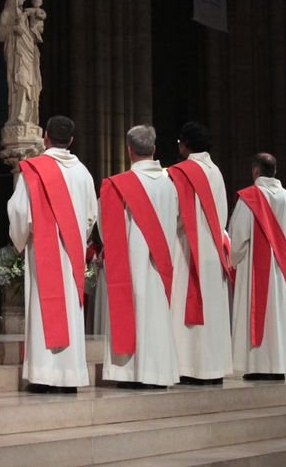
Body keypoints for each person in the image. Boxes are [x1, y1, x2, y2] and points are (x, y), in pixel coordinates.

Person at [8, 115, 97, 393]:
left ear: (45, 136)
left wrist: (20, 239)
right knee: (69, 309)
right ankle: (68, 377)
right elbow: (91, 215)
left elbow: (21, 211)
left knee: (42, 308)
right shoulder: (83, 172)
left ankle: (44, 376)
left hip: (43, 248)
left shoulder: (33, 169)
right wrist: (77, 238)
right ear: (70, 140)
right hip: (71, 250)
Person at [98, 125, 179, 389]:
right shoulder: (170, 185)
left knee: (134, 312)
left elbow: (105, 227)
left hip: (130, 262)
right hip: (162, 262)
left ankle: (131, 373)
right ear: (154, 150)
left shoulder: (118, 185)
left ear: (129, 150)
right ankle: (157, 373)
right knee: (157, 316)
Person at [167, 121, 233, 385]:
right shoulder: (216, 171)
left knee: (187, 306)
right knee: (212, 310)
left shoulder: (182, 171)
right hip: (212, 248)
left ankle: (189, 367)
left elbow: (176, 214)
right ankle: (212, 367)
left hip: (186, 247)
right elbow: (223, 211)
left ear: (185, 144)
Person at [228, 153, 286, 381]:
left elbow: (238, 236)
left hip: (254, 268)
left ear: (256, 170)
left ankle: (258, 366)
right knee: (276, 316)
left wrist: (234, 259)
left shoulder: (250, 196)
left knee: (257, 312)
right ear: (275, 171)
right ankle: (277, 365)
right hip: (279, 266)